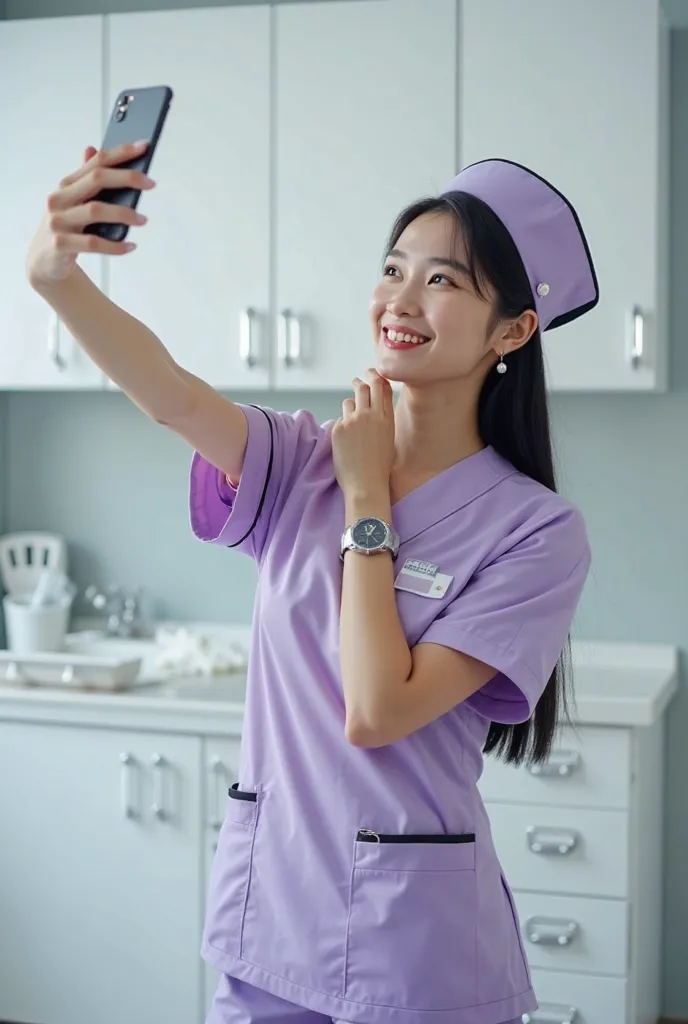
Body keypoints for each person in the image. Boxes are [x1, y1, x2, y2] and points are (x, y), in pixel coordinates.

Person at [27, 147, 596, 1024]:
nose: (400, 301)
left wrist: (368, 502)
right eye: (392, 268)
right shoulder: (300, 460)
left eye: (442, 280)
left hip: (415, 953)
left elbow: (376, 708)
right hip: (267, 925)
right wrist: (56, 279)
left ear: (512, 331)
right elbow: (172, 396)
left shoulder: (536, 532)